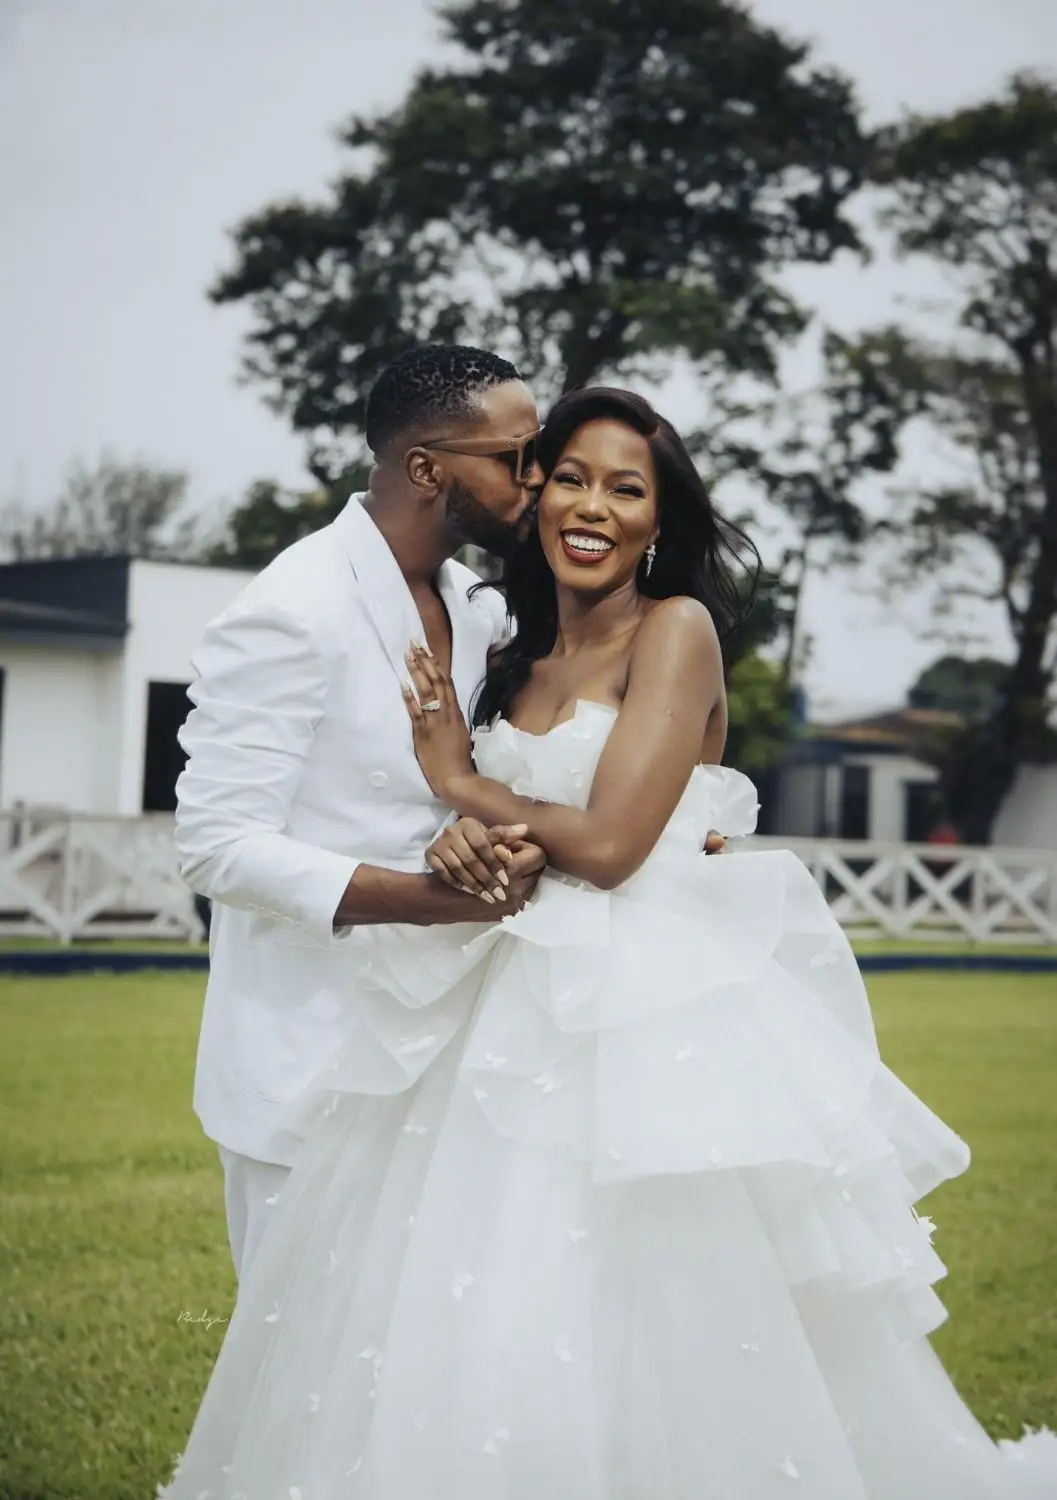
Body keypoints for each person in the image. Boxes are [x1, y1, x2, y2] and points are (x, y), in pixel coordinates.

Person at [160, 389, 1056, 1498]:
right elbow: (446, 822)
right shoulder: (511, 643)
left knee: (653, 1301)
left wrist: (458, 780)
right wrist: (458, 834)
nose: (582, 501)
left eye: (623, 487)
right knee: (470, 1299)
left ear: (659, 517)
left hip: (633, 1021)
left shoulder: (674, 630)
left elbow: (618, 843)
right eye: (562, 474)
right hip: (481, 1008)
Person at [175, 341, 731, 1284]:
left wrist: (691, 818)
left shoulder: (482, 607)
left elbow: (609, 735)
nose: (536, 481)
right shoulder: (292, 609)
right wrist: (439, 897)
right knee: (297, 1365)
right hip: (311, 1055)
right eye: (520, 459)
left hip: (463, 1061)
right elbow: (216, 847)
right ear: (428, 469)